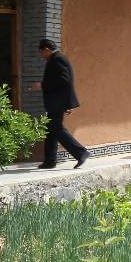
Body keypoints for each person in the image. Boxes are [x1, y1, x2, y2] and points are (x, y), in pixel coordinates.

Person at [30, 39, 89, 170]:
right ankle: (50, 161)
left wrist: (42, 85)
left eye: (41, 52)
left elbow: (64, 80)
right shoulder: (55, 59)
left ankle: (80, 152)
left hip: (57, 102)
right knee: (51, 130)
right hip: (57, 102)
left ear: (46, 50)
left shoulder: (58, 59)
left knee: (56, 128)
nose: (41, 55)